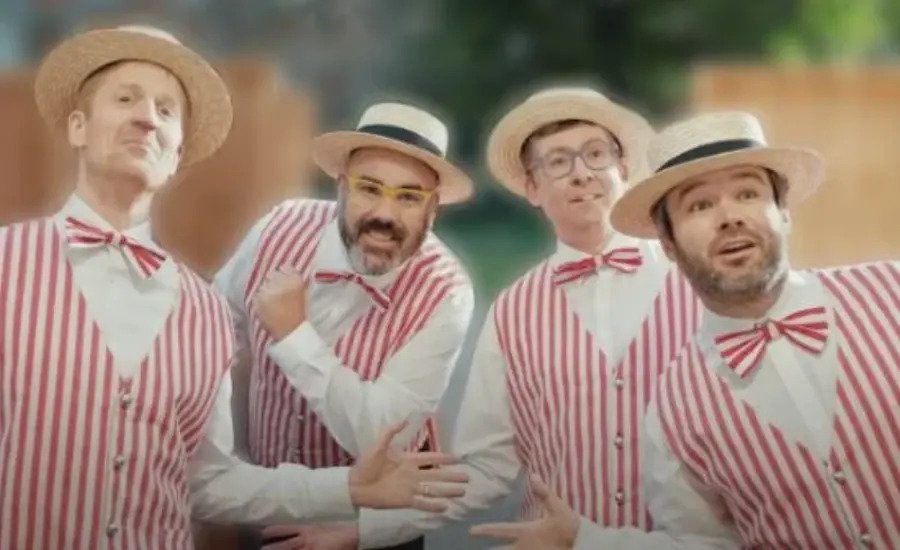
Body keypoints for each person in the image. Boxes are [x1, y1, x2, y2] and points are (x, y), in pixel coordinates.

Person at [0, 26, 466, 550]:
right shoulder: (5, 263)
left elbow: (211, 481)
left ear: (179, 153)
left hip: (367, 529)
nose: (146, 117)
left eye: (167, 110)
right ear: (78, 126)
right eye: (126, 98)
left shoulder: (198, 308)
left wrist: (349, 488)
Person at [347, 86, 702, 549]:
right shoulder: (511, 311)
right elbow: (485, 468)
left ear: (624, 168)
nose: (580, 174)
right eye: (557, 161)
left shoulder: (701, 281)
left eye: (595, 154)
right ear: (532, 188)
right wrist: (363, 532)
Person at [213, 101, 475, 548]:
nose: (385, 216)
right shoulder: (280, 226)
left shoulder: (446, 292)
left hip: (366, 527)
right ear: (340, 188)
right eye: (369, 188)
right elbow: (214, 332)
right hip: (265, 509)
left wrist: (294, 335)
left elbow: (381, 438)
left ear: (434, 210)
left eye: (409, 197)